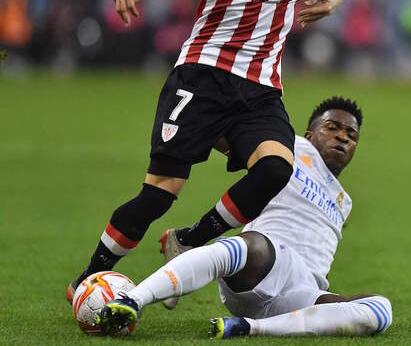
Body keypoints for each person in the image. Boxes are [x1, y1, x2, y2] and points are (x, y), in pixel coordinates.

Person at [67, 0, 348, 302]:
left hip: (261, 87)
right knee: (159, 194)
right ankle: (86, 281)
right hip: (204, 76)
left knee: (276, 169)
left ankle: (189, 239)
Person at [95, 97, 393, 338]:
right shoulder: (289, 148)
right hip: (262, 263)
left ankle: (250, 328)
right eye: (332, 127)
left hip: (303, 292)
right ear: (310, 135)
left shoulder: (344, 202)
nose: (342, 136)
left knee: (381, 310)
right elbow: (227, 136)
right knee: (247, 245)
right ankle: (132, 300)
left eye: (351, 135)